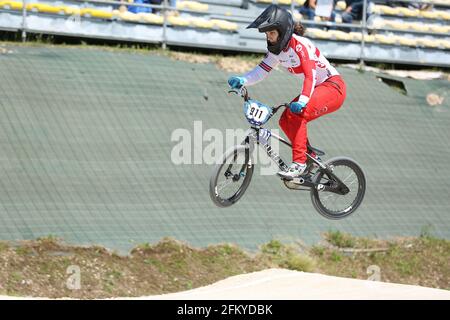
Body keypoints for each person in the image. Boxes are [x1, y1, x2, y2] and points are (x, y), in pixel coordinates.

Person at [227, 5, 346, 179]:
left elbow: (310, 76)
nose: (269, 38)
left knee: (298, 115)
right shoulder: (276, 51)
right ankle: (310, 157)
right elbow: (261, 71)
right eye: (267, 34)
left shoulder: (300, 45)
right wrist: (243, 80)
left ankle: (299, 163)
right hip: (318, 88)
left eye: (272, 33)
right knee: (285, 119)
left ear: (283, 32)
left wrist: (303, 101)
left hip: (333, 87)